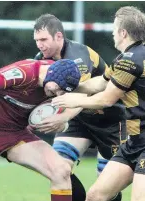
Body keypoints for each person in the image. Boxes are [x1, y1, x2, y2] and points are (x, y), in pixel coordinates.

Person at [51, 6, 145, 201]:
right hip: (133, 144)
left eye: (114, 28)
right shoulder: (125, 58)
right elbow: (101, 83)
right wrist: (72, 86)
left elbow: (106, 98)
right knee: (96, 196)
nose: (112, 33)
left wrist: (72, 100)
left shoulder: (131, 60)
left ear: (123, 32)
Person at [0, 58, 82, 201]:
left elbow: (85, 94)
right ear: (51, 74)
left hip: (18, 133)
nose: (58, 94)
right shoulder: (24, 73)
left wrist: (63, 118)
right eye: (58, 88)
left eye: (63, 92)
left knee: (61, 171)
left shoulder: (61, 80)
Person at [32, 14, 126, 201]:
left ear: (58, 36)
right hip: (79, 120)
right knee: (58, 169)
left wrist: (61, 118)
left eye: (43, 39)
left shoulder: (78, 57)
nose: (39, 45)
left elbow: (81, 96)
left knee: (106, 186)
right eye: (36, 40)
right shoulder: (41, 59)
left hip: (110, 121)